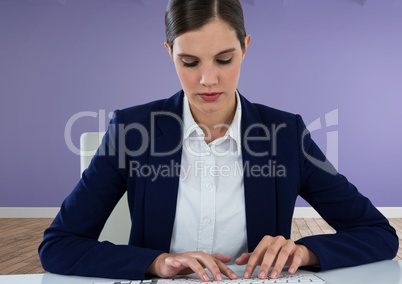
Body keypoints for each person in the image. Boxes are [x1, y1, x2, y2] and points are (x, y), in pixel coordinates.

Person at [38, 0, 398, 281]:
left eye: (224, 59)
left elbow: (378, 234)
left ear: (245, 47)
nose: (208, 79)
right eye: (189, 62)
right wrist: (156, 263)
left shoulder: (286, 135)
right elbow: (58, 246)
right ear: (169, 54)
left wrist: (303, 253)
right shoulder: (132, 130)